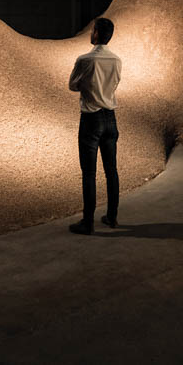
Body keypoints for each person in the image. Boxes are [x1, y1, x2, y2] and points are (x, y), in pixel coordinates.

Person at [68, 17, 121, 235]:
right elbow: (116, 83)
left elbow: (72, 85)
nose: (90, 33)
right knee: (111, 171)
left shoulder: (85, 59)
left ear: (97, 33)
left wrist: (88, 86)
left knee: (89, 173)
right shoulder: (117, 60)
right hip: (110, 117)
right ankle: (112, 217)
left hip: (91, 118)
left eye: (92, 30)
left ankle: (87, 222)